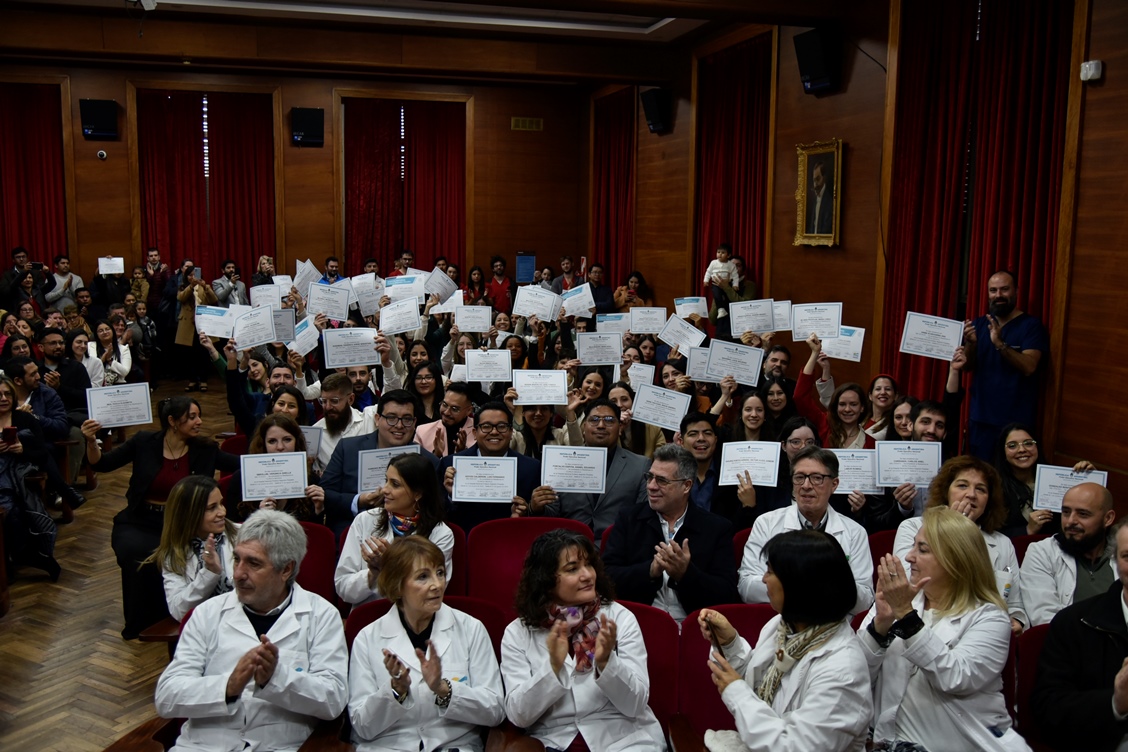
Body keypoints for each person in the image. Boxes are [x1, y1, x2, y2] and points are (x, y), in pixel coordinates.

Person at [154, 510, 349, 752]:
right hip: (205, 746)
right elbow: (166, 697)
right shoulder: (207, 613)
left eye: (253, 563)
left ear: (286, 569)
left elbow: (333, 700)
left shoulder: (321, 616)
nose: (237, 574)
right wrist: (228, 686)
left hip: (280, 746)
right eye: (237, 559)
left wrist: (276, 678)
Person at [860, 507, 1024, 751]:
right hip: (891, 740)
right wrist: (880, 626)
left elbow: (955, 678)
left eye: (922, 549)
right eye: (913, 545)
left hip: (961, 742)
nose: (908, 557)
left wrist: (906, 615)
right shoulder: (896, 602)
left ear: (955, 559)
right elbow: (856, 673)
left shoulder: (990, 617)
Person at [698, 530, 872, 751]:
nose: (763, 579)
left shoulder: (843, 668)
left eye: (770, 571)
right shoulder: (782, 625)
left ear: (797, 584)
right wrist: (730, 642)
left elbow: (795, 746)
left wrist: (736, 693)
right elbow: (757, 686)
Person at [82, 396, 238, 639]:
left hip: (185, 524)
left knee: (179, 555)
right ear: (172, 421)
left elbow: (241, 465)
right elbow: (103, 464)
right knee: (134, 552)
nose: (199, 422)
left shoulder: (204, 448)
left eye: (199, 416)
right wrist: (92, 441)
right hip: (142, 519)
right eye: (192, 417)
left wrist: (279, 459)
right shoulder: (145, 441)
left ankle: (177, 615)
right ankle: (141, 623)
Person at [500, 529, 666, 751]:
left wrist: (607, 663)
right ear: (546, 579)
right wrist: (553, 668)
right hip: (555, 741)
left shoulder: (618, 618)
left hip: (624, 739)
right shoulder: (517, 632)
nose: (588, 575)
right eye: (572, 569)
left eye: (589, 565)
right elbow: (519, 716)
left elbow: (635, 705)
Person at [348, 536, 504, 751]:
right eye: (423, 576)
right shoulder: (367, 638)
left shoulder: (471, 629)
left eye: (440, 572)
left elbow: (494, 711)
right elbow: (362, 725)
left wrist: (443, 689)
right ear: (397, 584)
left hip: (453, 745)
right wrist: (396, 691)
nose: (437, 585)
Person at [603, 444, 739, 623]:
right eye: (649, 477)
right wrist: (649, 571)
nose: (651, 486)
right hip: (638, 624)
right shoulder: (629, 519)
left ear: (686, 486)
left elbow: (726, 593)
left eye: (662, 480)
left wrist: (686, 574)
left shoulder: (716, 528)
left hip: (696, 626)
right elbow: (606, 578)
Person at [893, 455, 1027, 633]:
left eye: (981, 489)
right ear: (945, 491)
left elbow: (1014, 602)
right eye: (962, 485)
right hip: (925, 624)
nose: (971, 494)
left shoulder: (1002, 543)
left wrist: (1017, 620)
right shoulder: (914, 527)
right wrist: (953, 528)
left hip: (984, 629)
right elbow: (909, 582)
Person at [1030, 518, 1128, 751]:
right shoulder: (1074, 623)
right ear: (1115, 562)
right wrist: (1115, 703)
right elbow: (1048, 709)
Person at [738, 446, 873, 614]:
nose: (806, 486)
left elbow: (865, 600)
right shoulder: (766, 523)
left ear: (834, 484)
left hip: (834, 626)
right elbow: (747, 588)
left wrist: (789, 582)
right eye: (800, 477)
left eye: (817, 478)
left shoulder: (854, 532)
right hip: (780, 622)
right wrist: (814, 582)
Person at [335, 453, 454, 610]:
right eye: (386, 481)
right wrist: (372, 574)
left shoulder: (441, 534)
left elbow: (432, 591)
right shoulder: (365, 520)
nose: (384, 490)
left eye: (395, 484)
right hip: (369, 616)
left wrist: (388, 566)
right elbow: (343, 588)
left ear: (418, 493)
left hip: (417, 618)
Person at [521, 399, 649, 538]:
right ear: (584, 427)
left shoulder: (640, 465)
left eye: (609, 420)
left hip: (618, 547)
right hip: (569, 545)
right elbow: (552, 513)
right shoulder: (562, 461)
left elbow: (643, 516)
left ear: (619, 428)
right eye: (594, 420)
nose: (601, 425)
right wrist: (536, 507)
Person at [321, 390, 440, 536]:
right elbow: (325, 494)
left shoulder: (428, 462)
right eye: (391, 418)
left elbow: (435, 508)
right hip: (351, 533)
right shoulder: (348, 448)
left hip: (409, 540)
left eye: (407, 419)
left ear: (414, 422)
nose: (399, 425)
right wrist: (359, 501)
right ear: (377, 419)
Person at [962, 270, 1049, 460]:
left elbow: (1029, 366)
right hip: (981, 421)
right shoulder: (979, 324)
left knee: (1009, 480)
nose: (998, 295)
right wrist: (971, 343)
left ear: (1016, 291)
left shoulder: (1031, 326)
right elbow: (966, 367)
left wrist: (1000, 344)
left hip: (1015, 424)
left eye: (1004, 289)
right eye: (993, 290)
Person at [1021, 482, 1116, 627]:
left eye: (1083, 514)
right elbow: (1045, 618)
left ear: (1108, 518)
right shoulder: (1042, 552)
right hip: (1067, 645)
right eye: (1066, 512)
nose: (1071, 521)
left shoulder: (1121, 555)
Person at [144, 475, 236, 621]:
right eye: (212, 508)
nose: (222, 512)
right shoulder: (173, 555)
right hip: (205, 629)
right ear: (190, 514)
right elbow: (179, 611)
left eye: (221, 503)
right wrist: (209, 573)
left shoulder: (244, 536)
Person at [440, 402, 541, 531]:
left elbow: (539, 518)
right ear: (475, 433)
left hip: (512, 537)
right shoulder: (451, 464)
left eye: (502, 426)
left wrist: (527, 511)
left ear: (511, 432)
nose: (494, 432)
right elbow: (437, 514)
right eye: (486, 426)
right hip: (465, 540)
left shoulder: (531, 468)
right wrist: (451, 497)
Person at [0, 373, 62, 580]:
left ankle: (24, 556)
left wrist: (21, 448)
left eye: (8, 394)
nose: (3, 398)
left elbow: (42, 453)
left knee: (10, 511)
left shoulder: (24, 418)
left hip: (19, 476)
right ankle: (22, 556)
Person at [993, 422, 1097, 537]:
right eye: (1012, 445)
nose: (1022, 449)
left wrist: (1089, 479)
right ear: (1003, 452)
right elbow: (988, 534)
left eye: (1028, 443)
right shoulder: (994, 486)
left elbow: (1088, 513)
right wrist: (1027, 530)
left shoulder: (1055, 478)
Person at [225, 414, 325, 523]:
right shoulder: (241, 479)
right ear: (263, 444)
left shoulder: (311, 479)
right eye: (272, 441)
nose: (280, 447)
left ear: (297, 442)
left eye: (287, 439)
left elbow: (315, 533)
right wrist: (258, 517)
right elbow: (232, 527)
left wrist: (318, 509)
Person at [174, 261, 219, 391]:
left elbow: (213, 300)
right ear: (186, 276)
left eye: (195, 274)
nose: (192, 277)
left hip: (202, 324)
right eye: (190, 275)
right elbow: (181, 298)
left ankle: (204, 380)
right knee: (189, 355)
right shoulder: (183, 286)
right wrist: (190, 286)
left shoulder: (205, 286)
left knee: (203, 353)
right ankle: (192, 380)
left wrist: (206, 287)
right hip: (188, 325)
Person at [310, 372, 366, 474]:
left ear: (350, 399)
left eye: (334, 401)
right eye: (323, 401)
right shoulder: (315, 433)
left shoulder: (367, 421)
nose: (327, 407)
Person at [413, 381, 476, 459]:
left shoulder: (480, 431)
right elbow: (416, 468)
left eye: (454, 409)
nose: (446, 412)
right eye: (444, 405)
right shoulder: (422, 432)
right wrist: (436, 456)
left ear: (469, 410)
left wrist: (463, 454)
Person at [607, 381, 665, 459]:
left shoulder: (653, 428)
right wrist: (618, 429)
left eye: (624, 399)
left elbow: (663, 457)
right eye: (613, 401)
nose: (619, 405)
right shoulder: (603, 429)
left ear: (633, 401)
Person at [89, 318, 131, 386]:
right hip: (97, 386)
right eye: (100, 331)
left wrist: (110, 361)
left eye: (107, 329)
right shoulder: (90, 346)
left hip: (118, 385)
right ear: (96, 334)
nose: (105, 332)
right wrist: (103, 358)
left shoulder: (124, 349)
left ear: (112, 331)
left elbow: (125, 372)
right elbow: (91, 370)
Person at [805, 157, 834, 234]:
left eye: (818, 179)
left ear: (824, 178)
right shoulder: (815, 200)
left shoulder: (830, 203)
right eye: (814, 180)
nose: (815, 185)